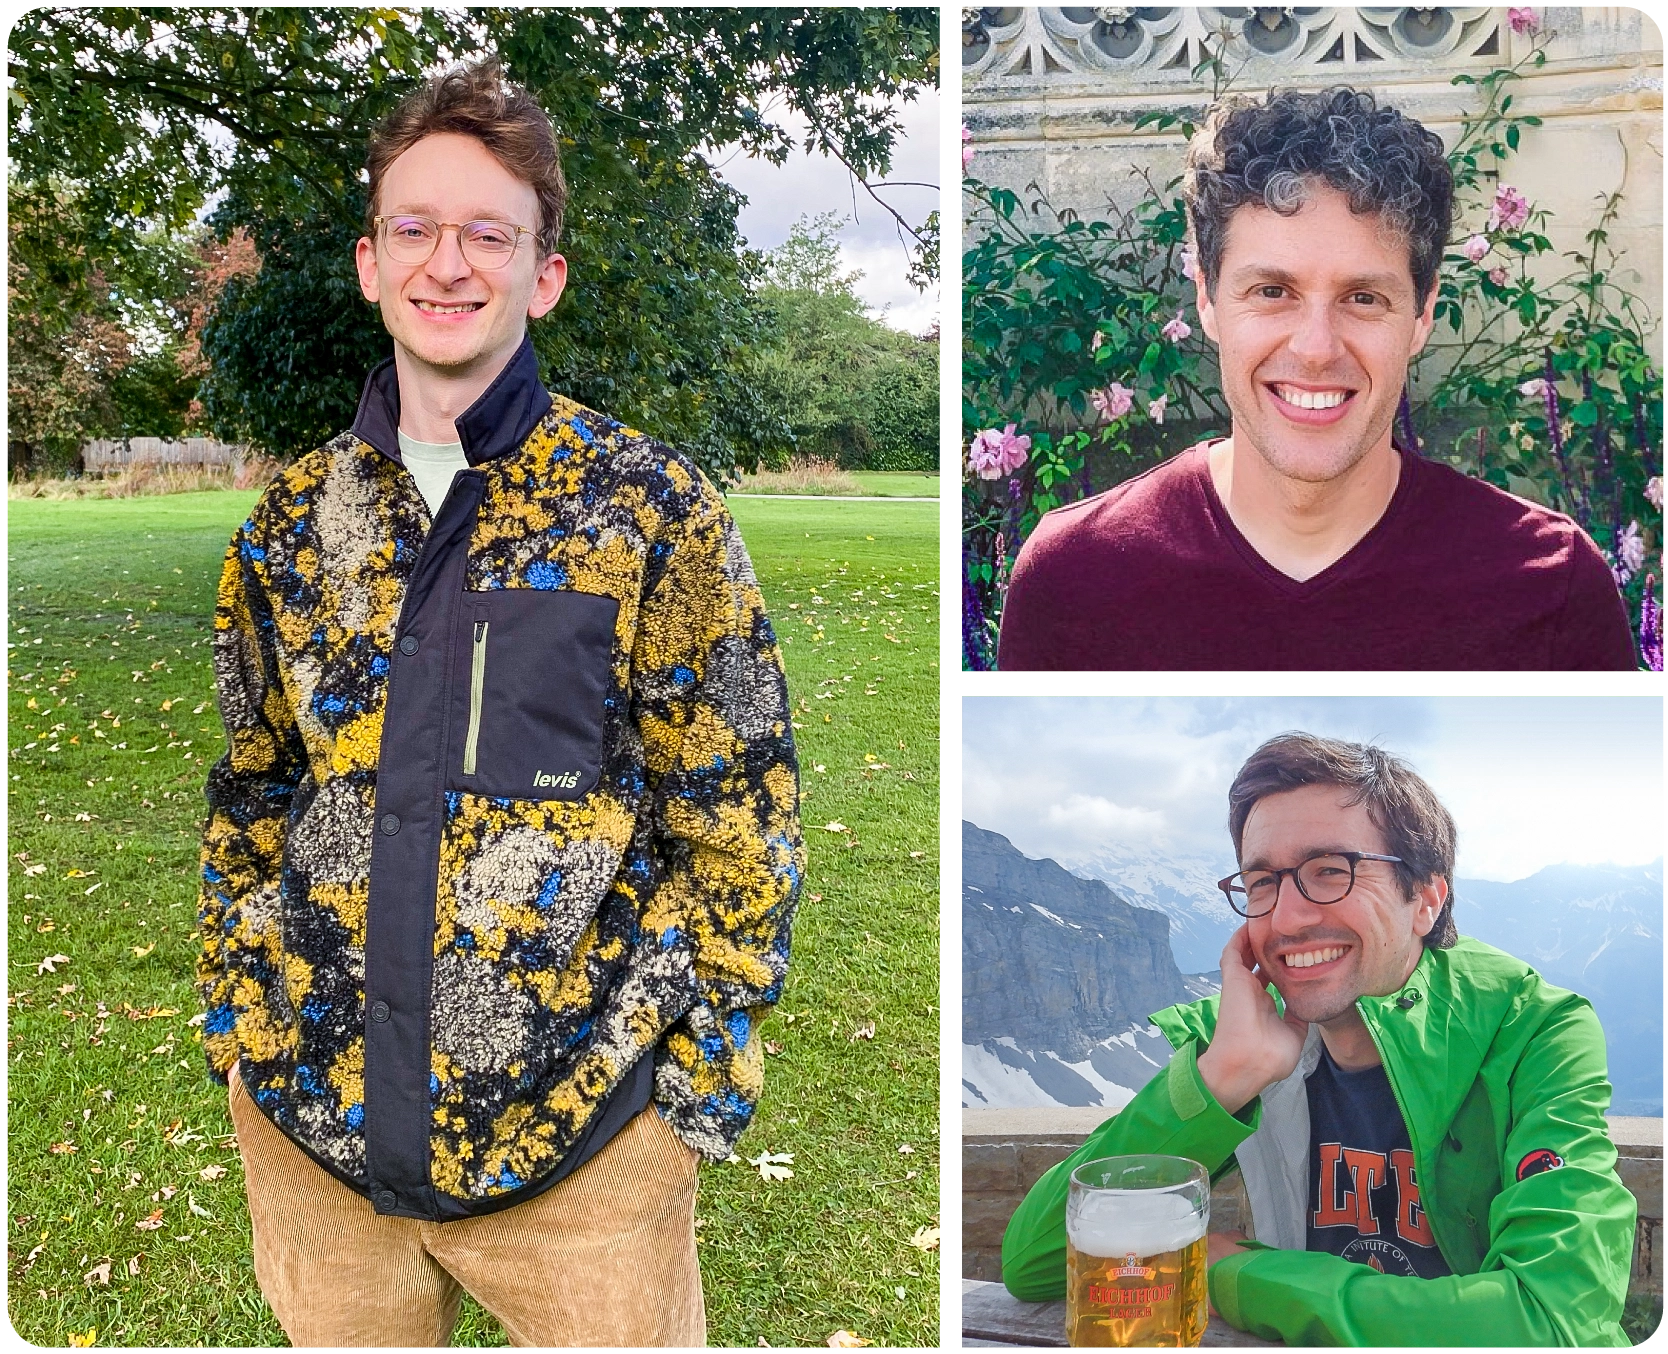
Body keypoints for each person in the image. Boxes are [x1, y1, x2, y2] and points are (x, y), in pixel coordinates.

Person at [197, 58, 803, 1349]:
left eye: (490, 232)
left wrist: (692, 1087)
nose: (448, 262)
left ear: (544, 274)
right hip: (317, 1143)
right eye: (414, 228)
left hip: (582, 1154)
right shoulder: (290, 528)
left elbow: (744, 814)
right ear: (370, 262)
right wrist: (236, 1022)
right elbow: (253, 786)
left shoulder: (647, 511)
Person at [999, 733, 1635, 1348]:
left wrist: (1233, 1275)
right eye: (1262, 884)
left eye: (1331, 871)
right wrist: (1224, 1079)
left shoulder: (1532, 1030)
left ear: (1426, 900)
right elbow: (1034, 1261)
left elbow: (1551, 1325)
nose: (1288, 918)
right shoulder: (1241, 1038)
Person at [995, 88, 1636, 672]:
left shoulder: (1552, 586)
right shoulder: (1074, 576)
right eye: (1272, 291)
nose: (1315, 349)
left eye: (1363, 298)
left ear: (1421, 317)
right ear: (1207, 301)